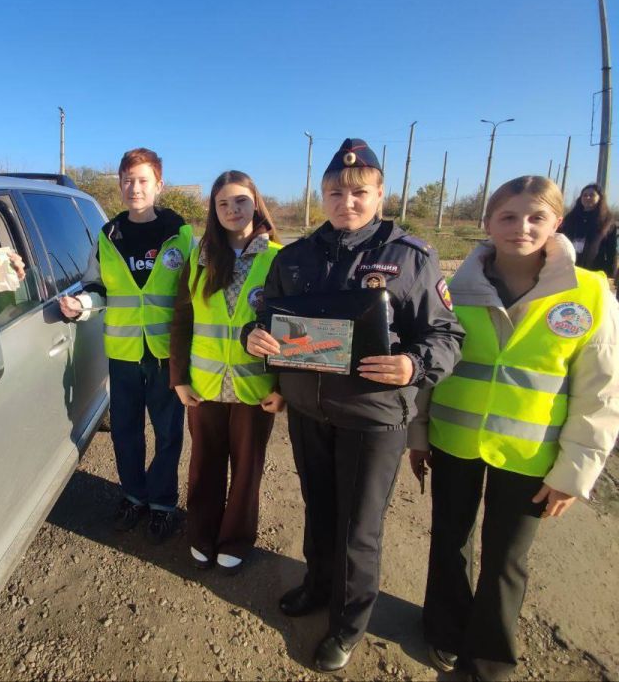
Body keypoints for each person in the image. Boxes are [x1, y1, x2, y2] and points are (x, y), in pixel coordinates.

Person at [243, 138, 464, 672]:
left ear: (380, 194)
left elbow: (446, 335)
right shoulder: (295, 257)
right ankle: (317, 585)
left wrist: (413, 364)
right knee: (318, 509)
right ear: (322, 196)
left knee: (358, 529)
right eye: (336, 193)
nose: (347, 202)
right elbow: (269, 318)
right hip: (308, 410)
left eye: (359, 192)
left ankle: (347, 623)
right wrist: (253, 336)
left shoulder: (410, 257)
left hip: (373, 417)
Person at [408, 175, 619, 681]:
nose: (521, 227)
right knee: (450, 541)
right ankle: (444, 630)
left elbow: (601, 392)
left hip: (532, 454)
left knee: (506, 559)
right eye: (508, 216)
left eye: (536, 217)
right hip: (454, 440)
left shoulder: (589, 292)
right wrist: (418, 435)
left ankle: (489, 658)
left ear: (557, 223)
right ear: (488, 223)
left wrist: (574, 472)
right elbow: (432, 364)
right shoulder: (453, 289)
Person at [59, 148, 193, 542]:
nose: (135, 188)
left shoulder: (181, 234)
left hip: (166, 353)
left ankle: (163, 505)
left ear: (158, 185)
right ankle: (134, 496)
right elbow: (96, 286)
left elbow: (196, 290)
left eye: (143, 180)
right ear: (120, 185)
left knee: (168, 434)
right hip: (123, 354)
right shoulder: (108, 235)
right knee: (125, 431)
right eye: (128, 180)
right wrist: (81, 304)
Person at [169, 170, 286, 575]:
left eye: (240, 201)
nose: (232, 209)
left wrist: (284, 387)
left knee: (247, 467)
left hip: (256, 387)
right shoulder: (199, 258)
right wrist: (179, 378)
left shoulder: (279, 259)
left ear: (256, 203)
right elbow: (182, 320)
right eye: (223, 203)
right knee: (204, 464)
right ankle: (201, 532)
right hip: (204, 385)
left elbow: (293, 328)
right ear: (213, 210)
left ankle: (235, 538)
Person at [559, 183, 617, 277]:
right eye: (585, 195)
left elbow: (611, 251)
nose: (587, 197)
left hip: (593, 272)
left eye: (592, 195)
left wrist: (611, 273)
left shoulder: (607, 221)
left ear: (600, 198)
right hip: (568, 269)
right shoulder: (571, 218)